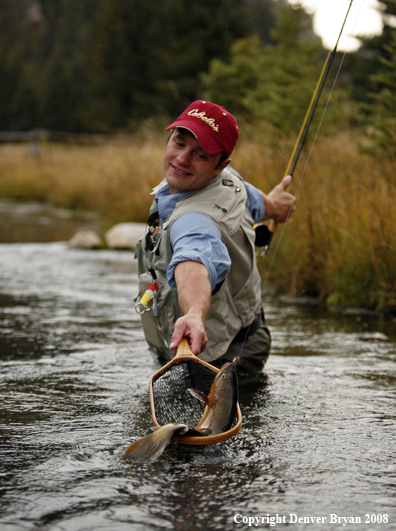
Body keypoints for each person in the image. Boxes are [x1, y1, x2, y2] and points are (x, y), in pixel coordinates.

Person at [135, 100, 295, 374]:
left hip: (223, 356)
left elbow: (194, 262)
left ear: (221, 164)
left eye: (201, 154)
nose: (182, 159)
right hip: (239, 331)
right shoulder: (227, 180)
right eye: (179, 142)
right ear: (169, 138)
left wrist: (194, 313)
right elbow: (254, 200)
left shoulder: (195, 221)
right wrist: (276, 206)